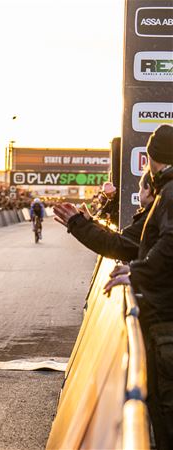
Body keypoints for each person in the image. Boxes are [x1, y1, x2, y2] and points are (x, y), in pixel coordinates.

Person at [104, 124, 173, 448]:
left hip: (166, 322)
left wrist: (137, 272)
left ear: (151, 158)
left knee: (165, 413)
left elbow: (171, 243)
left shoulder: (170, 193)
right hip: (162, 318)